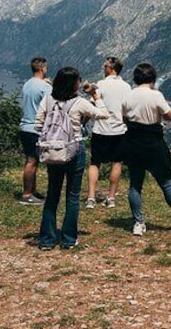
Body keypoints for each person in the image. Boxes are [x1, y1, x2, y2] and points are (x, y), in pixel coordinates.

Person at [34, 67, 109, 249]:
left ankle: (47, 239)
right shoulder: (79, 102)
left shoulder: (48, 100)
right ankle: (68, 239)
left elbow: (38, 125)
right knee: (73, 195)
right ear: (74, 83)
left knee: (52, 194)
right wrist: (96, 97)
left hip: (53, 150)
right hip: (74, 149)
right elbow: (103, 114)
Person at [121, 63, 171, 235]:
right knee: (166, 182)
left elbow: (124, 117)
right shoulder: (155, 95)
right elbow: (169, 114)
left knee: (135, 185)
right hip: (154, 143)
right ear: (153, 79)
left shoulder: (128, 96)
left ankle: (138, 223)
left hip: (134, 143)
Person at [86, 56, 132, 209]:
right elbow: (127, 110)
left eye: (105, 66)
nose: (103, 68)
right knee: (116, 162)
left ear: (111, 68)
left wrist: (83, 122)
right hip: (119, 130)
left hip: (101, 129)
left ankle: (91, 197)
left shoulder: (100, 85)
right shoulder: (126, 87)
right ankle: (111, 197)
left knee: (95, 162)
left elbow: (93, 106)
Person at [17, 57, 51, 205]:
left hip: (24, 126)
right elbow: (50, 106)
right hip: (36, 128)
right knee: (32, 161)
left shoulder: (27, 84)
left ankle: (32, 190)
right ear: (42, 68)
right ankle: (26, 194)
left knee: (31, 160)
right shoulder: (45, 87)